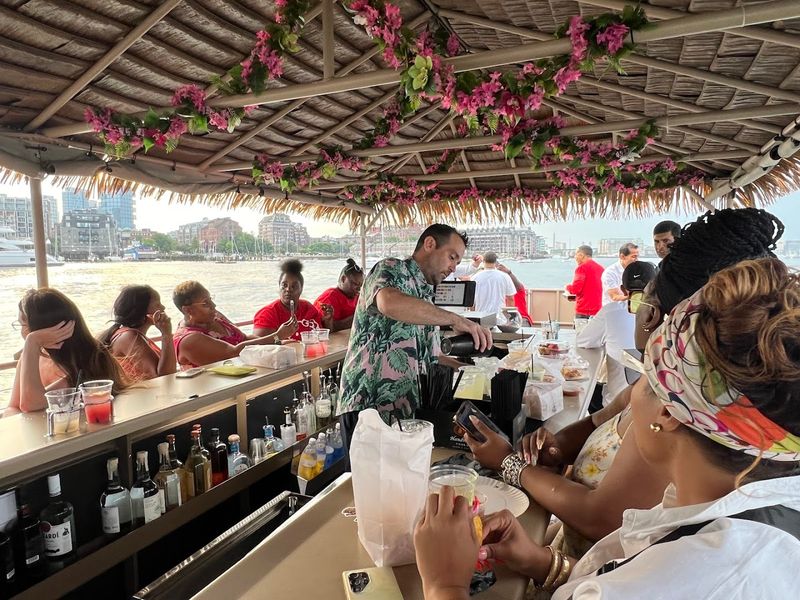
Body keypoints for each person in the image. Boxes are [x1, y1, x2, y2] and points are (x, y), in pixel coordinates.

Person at [416, 258, 800, 600]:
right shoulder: (740, 510)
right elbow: (616, 570)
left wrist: (444, 584)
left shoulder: (687, 578)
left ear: (668, 413)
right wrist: (542, 563)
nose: (632, 394)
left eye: (648, 378)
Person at [466, 207, 786, 559]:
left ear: (658, 316)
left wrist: (510, 462)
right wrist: (556, 446)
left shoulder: (679, 420)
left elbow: (600, 518)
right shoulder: (658, 388)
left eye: (642, 301)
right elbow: (596, 420)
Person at [336, 224, 492, 440]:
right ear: (429, 244)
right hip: (368, 406)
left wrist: (474, 370)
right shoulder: (390, 268)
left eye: (457, 262)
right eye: (452, 257)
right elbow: (388, 303)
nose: (454, 268)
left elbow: (433, 357)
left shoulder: (425, 297)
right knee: (364, 474)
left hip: (405, 413)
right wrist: (455, 319)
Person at [636, 208, 784, 350]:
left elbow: (645, 350)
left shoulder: (674, 364)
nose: (660, 246)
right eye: (657, 242)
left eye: (666, 241)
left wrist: (644, 316)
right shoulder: (784, 340)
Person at [6, 289, 128, 415]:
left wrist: (32, 341)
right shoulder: (31, 356)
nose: (23, 333)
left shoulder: (88, 361)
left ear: (44, 328)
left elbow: (30, 404)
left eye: (24, 326)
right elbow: (13, 407)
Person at [577, 261, 657, 408]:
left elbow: (583, 341)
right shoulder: (670, 319)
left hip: (615, 408)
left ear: (623, 289)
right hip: (656, 410)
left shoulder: (610, 312)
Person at [172, 281, 283, 369]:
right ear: (188, 310)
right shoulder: (189, 340)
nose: (214, 306)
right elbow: (233, 353)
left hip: (247, 377)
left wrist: (279, 343)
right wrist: (277, 336)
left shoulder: (216, 317)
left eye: (211, 300)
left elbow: (244, 338)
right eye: (206, 303)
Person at [99, 285, 177, 381]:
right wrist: (166, 334)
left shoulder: (134, 335)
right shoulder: (129, 337)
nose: (163, 307)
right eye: (157, 304)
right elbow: (163, 377)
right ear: (142, 310)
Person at [253, 259, 333, 341]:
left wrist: (327, 321)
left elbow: (323, 336)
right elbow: (257, 346)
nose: (288, 289)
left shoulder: (308, 308)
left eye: (294, 286)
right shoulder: (267, 314)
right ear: (279, 287)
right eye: (284, 285)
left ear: (301, 289)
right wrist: (279, 336)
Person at [314, 258, 363, 332]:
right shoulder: (329, 298)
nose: (358, 289)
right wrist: (356, 318)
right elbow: (326, 329)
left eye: (360, 285)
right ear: (343, 279)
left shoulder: (358, 296)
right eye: (355, 284)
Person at [469, 252, 516, 323]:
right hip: (500, 319)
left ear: (483, 261)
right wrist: (510, 318)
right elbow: (511, 299)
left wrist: (474, 317)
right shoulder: (505, 276)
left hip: (481, 318)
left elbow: (471, 303)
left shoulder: (474, 278)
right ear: (496, 261)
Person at [565, 245, 604, 318]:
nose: (575, 257)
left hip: (584, 310)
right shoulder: (601, 269)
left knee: (582, 329)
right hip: (598, 310)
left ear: (581, 255)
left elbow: (575, 289)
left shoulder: (582, 268)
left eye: (576, 255)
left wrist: (567, 287)